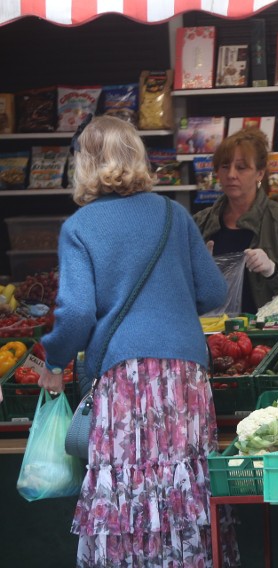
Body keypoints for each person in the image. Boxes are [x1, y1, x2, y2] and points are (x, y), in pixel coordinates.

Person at [38, 116, 239, 567]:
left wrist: (54, 363)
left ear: (85, 163)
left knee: (129, 480)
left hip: (125, 376)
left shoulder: (80, 227)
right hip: (186, 373)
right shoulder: (174, 214)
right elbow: (212, 292)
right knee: (182, 477)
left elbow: (76, 313)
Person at [194, 127, 278, 313]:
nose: (231, 174)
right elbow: (177, 291)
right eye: (225, 166)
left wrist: (273, 270)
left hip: (268, 335)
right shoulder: (200, 222)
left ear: (259, 173)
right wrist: (197, 274)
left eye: (241, 167)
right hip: (213, 335)